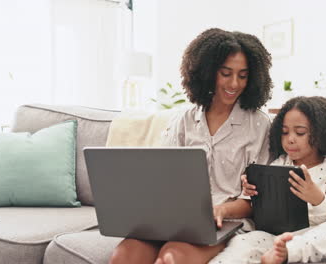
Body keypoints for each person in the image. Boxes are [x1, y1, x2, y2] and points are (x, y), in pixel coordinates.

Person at [109, 28, 273, 264]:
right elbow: (159, 176)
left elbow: (259, 200)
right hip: (174, 218)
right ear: (208, 72)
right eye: (226, 73)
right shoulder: (184, 120)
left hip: (226, 221)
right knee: (123, 255)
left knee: (172, 258)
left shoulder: (259, 125)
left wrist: (222, 210)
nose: (234, 83)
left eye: (243, 75)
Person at [210, 96, 326, 263]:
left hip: (314, 236)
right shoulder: (279, 164)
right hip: (273, 237)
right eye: (285, 132)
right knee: (241, 242)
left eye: (300, 132)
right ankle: (278, 252)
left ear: (321, 134)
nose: (290, 139)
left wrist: (317, 198)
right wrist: (250, 192)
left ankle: (288, 252)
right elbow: (255, 208)